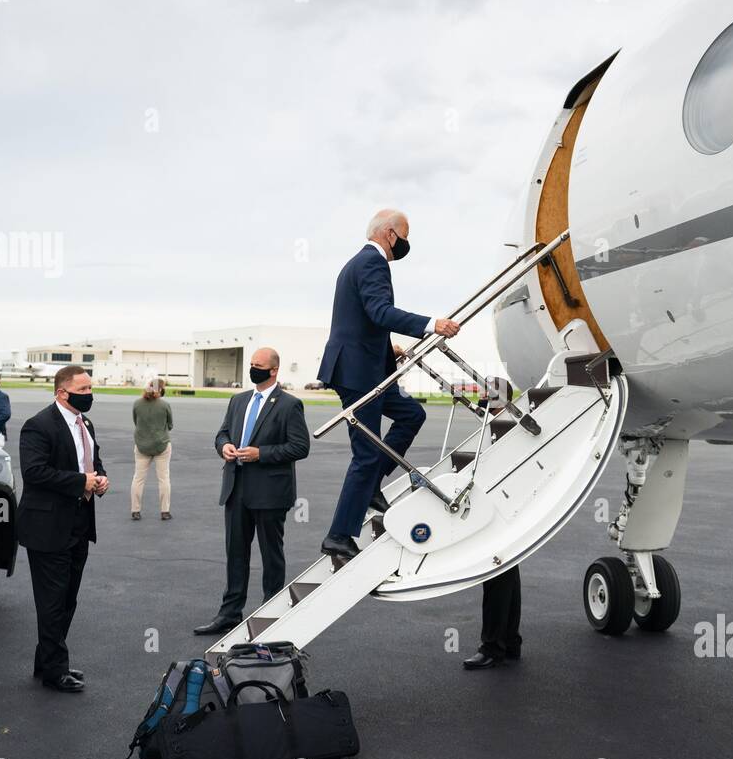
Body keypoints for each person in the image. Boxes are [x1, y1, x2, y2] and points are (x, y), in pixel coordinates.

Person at [317, 209, 460, 560]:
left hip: (369, 368)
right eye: (405, 236)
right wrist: (432, 324)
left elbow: (365, 319)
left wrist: (387, 347)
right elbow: (380, 311)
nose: (406, 244)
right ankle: (338, 535)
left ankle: (371, 488)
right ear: (390, 234)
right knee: (365, 455)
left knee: (411, 414)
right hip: (358, 374)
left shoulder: (358, 263)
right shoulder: (372, 263)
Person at [195, 348, 310, 635]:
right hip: (236, 488)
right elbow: (222, 433)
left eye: (258, 366)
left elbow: (300, 447)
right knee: (235, 553)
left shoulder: (289, 404)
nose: (253, 369)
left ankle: (272, 613)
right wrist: (224, 447)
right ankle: (230, 613)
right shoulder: (238, 400)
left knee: (271, 554)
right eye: (251, 365)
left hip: (270, 492)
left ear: (273, 371)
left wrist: (262, 453)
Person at [16, 365, 108, 693]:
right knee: (52, 601)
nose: (89, 395)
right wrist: (80, 481)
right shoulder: (39, 426)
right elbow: (35, 472)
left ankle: (47, 661)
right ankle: (56, 671)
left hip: (79, 524)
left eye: (90, 389)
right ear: (61, 393)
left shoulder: (86, 423)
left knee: (68, 599)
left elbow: (92, 461)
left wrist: (100, 478)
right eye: (82, 391)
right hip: (47, 527)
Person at [464, 378, 522, 670]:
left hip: (502, 512)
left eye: (486, 392)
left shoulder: (507, 426)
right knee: (508, 577)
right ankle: (509, 641)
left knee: (496, 579)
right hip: (505, 511)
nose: (482, 396)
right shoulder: (497, 421)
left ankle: (493, 647)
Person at [130, 377, 173, 521]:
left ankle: (135, 510)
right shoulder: (165, 405)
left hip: (142, 445)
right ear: (161, 389)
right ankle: (165, 511)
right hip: (161, 444)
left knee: (138, 478)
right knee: (164, 478)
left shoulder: (137, 404)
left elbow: (136, 422)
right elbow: (170, 425)